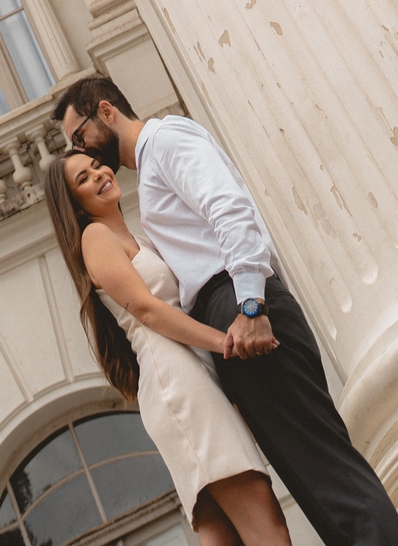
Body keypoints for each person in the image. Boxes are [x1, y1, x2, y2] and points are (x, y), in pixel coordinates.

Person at [52, 76, 398, 546]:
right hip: (225, 324)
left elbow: (229, 209)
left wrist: (250, 304)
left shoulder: (166, 141)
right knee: (312, 482)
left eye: (80, 137)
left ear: (105, 112)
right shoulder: (143, 187)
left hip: (239, 307)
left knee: (327, 474)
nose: (84, 152)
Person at [45, 147, 293, 546]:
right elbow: (148, 310)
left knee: (226, 536)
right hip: (177, 381)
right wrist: (226, 342)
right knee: (268, 527)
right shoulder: (96, 237)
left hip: (189, 376)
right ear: (75, 206)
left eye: (96, 166)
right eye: (83, 179)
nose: (99, 174)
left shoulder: (136, 237)